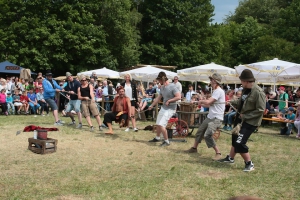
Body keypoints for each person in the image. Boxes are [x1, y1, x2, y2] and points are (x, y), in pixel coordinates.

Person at [218, 69, 266, 172]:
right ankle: (230, 158)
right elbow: (242, 101)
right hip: (240, 119)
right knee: (235, 139)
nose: (241, 83)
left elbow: (261, 110)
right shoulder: (245, 90)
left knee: (239, 142)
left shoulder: (258, 92)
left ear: (247, 81)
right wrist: (232, 102)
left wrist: (246, 116)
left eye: (242, 81)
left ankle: (249, 164)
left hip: (250, 122)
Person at [185, 73, 225, 160]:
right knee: (200, 131)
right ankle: (194, 148)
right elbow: (208, 105)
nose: (210, 81)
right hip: (211, 116)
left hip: (217, 118)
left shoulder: (218, 91)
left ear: (215, 81)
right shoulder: (215, 91)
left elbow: (208, 102)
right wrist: (198, 103)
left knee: (208, 135)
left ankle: (218, 153)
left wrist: (199, 101)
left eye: (211, 80)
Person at [148, 72, 181, 147]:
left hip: (171, 109)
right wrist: (151, 105)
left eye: (159, 80)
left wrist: (169, 101)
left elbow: (178, 97)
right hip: (164, 108)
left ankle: (166, 141)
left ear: (162, 79)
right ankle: (157, 137)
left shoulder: (172, 86)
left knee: (162, 124)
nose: (158, 82)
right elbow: (158, 98)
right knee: (158, 123)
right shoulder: (162, 87)